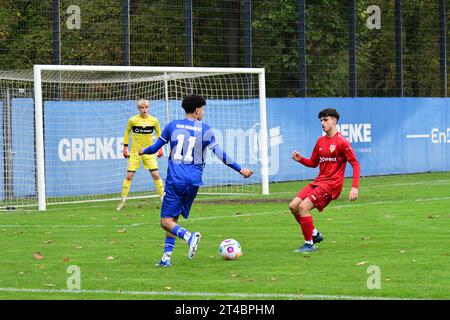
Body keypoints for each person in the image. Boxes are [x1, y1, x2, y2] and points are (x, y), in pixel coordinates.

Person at [139, 94, 253, 267]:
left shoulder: (172, 126)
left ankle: (189, 236)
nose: (204, 112)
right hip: (194, 182)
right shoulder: (206, 130)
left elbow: (155, 148)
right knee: (173, 220)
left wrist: (143, 151)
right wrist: (240, 169)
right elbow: (221, 155)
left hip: (176, 180)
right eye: (203, 109)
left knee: (165, 222)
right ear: (197, 110)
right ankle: (166, 259)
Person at [289, 108, 360, 252]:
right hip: (319, 181)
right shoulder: (320, 141)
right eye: (321, 120)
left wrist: (354, 187)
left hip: (332, 185)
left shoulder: (342, 142)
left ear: (334, 121)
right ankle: (314, 234)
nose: (322, 123)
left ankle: (309, 244)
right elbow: (314, 163)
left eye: (325, 120)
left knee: (303, 207)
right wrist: (300, 159)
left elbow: (355, 164)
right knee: (293, 206)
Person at [117, 99, 164, 211]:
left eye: (146, 107)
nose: (144, 110)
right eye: (142, 108)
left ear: (148, 108)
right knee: (129, 176)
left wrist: (160, 148)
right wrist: (125, 147)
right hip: (135, 152)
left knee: (156, 175)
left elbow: (159, 134)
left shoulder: (154, 120)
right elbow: (127, 132)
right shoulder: (133, 120)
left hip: (149, 152)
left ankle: (164, 199)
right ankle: (123, 200)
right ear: (139, 109)